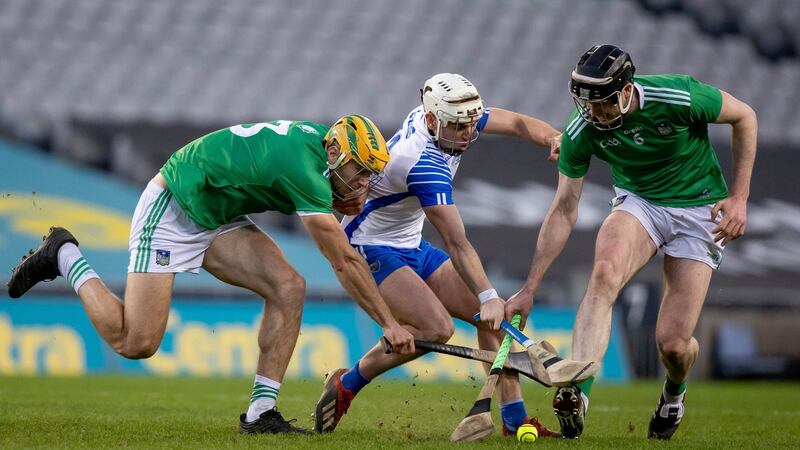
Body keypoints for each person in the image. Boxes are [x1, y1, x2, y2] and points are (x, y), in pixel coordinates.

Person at [7, 115, 416, 434]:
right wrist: (389, 323)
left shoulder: (325, 146)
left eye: (368, 174)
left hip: (216, 209)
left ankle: (261, 413)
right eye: (359, 171)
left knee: (288, 286)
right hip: (175, 204)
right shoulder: (305, 172)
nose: (363, 183)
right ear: (334, 156)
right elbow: (343, 261)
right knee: (136, 342)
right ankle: (64, 255)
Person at [505, 44, 757, 440]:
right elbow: (563, 210)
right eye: (588, 104)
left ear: (626, 91)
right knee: (604, 274)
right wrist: (529, 287)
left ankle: (674, 392)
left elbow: (745, 116)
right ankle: (578, 391)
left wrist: (740, 197)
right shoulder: (581, 129)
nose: (596, 114)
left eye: (605, 103)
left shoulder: (678, 96)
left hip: (700, 210)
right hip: (640, 203)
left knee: (673, 345)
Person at [313, 73, 563, 438]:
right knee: (438, 328)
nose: (467, 133)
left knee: (490, 320)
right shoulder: (424, 164)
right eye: (458, 127)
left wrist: (552, 136)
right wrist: (488, 295)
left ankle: (515, 422)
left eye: (471, 124)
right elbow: (457, 242)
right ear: (432, 121)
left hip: (411, 243)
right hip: (370, 245)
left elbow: (519, 123)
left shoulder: (446, 115)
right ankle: (347, 383)